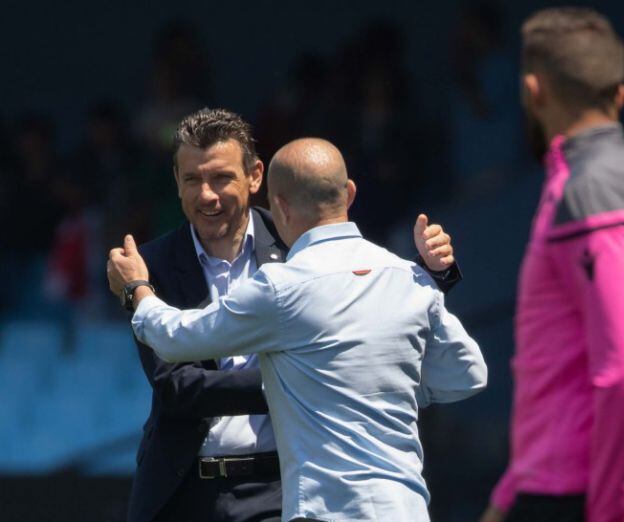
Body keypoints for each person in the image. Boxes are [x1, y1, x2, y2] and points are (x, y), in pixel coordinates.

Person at [107, 137, 487, 521]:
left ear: (275, 201)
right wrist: (376, 382)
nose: (207, 195)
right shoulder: (405, 275)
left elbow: (173, 337)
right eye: (192, 179)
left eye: (221, 177)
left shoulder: (283, 283)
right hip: (404, 507)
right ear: (349, 193)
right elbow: (468, 374)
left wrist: (136, 289)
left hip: (316, 506)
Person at [480, 8, 624, 522]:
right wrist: (509, 493)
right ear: (619, 95)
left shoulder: (591, 191)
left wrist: (609, 510)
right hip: (579, 484)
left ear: (534, 91)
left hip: (581, 494)